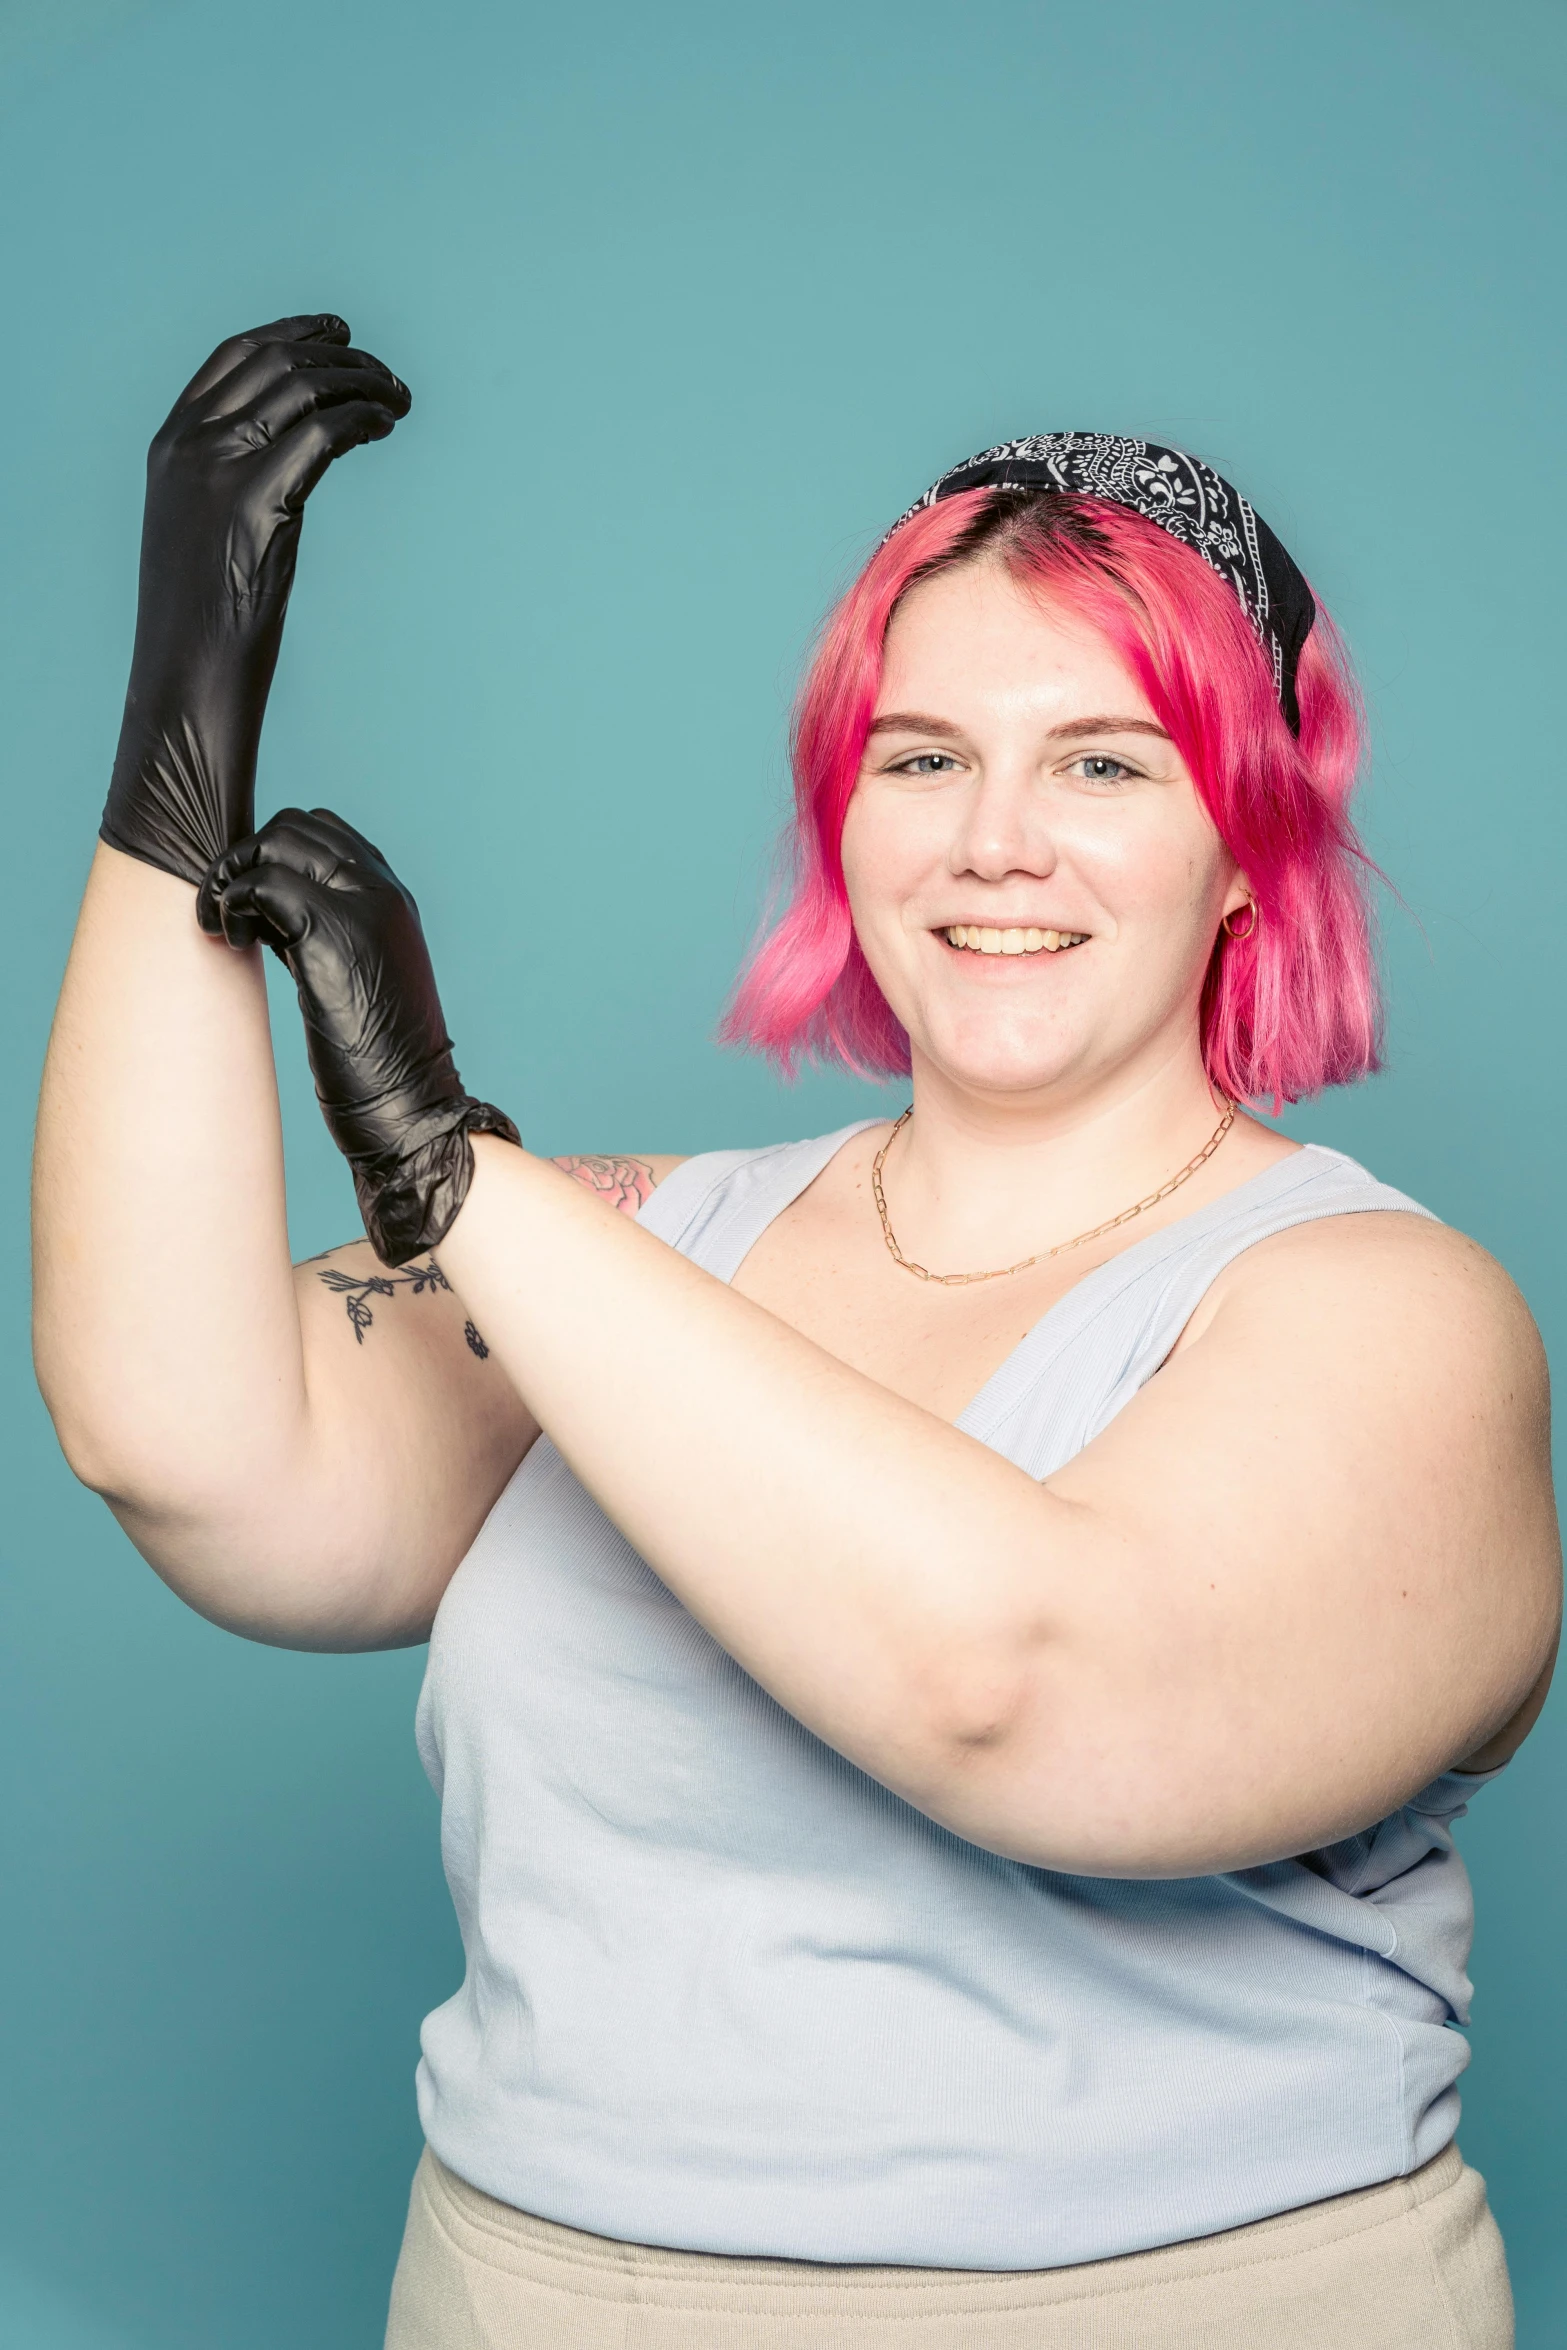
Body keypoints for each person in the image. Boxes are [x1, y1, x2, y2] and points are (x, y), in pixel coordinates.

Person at [32, 323, 1560, 2350]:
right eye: (923, 757)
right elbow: (185, 1437)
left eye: (1106, 760)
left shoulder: (1395, 1317)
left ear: (1246, 842)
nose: (992, 838)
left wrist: (452, 1168)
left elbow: (1013, 1683)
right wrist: (169, 769)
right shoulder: (662, 1245)